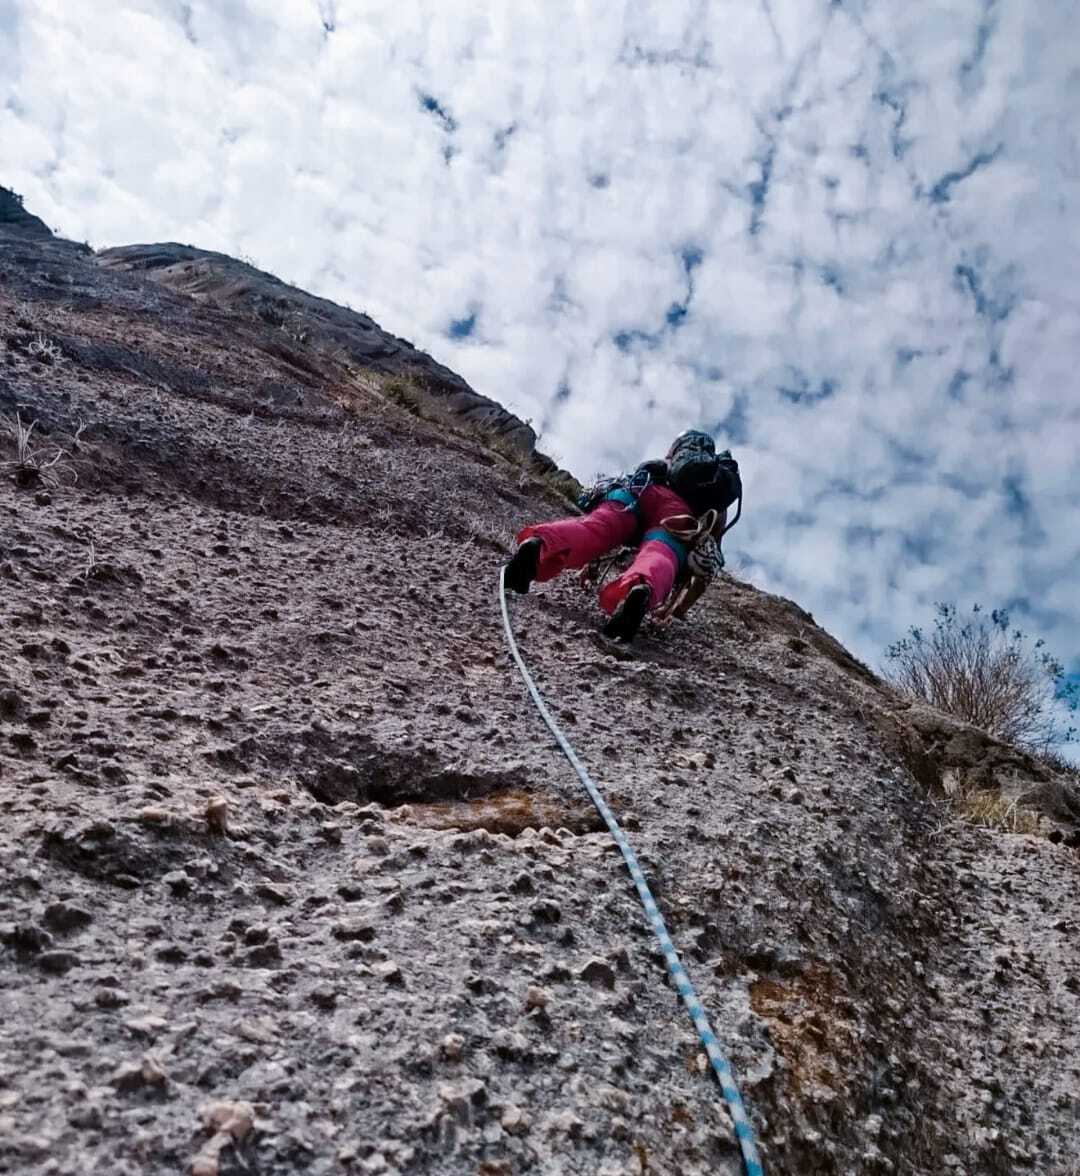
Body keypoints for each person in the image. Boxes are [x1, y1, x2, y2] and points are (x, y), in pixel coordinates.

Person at [503, 430, 741, 642]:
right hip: (677, 513)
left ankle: (541, 545)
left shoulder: (664, 465)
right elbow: (706, 570)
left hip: (636, 492)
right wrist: (678, 610)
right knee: (661, 550)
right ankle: (640, 587)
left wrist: (590, 564)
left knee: (596, 527)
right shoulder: (714, 492)